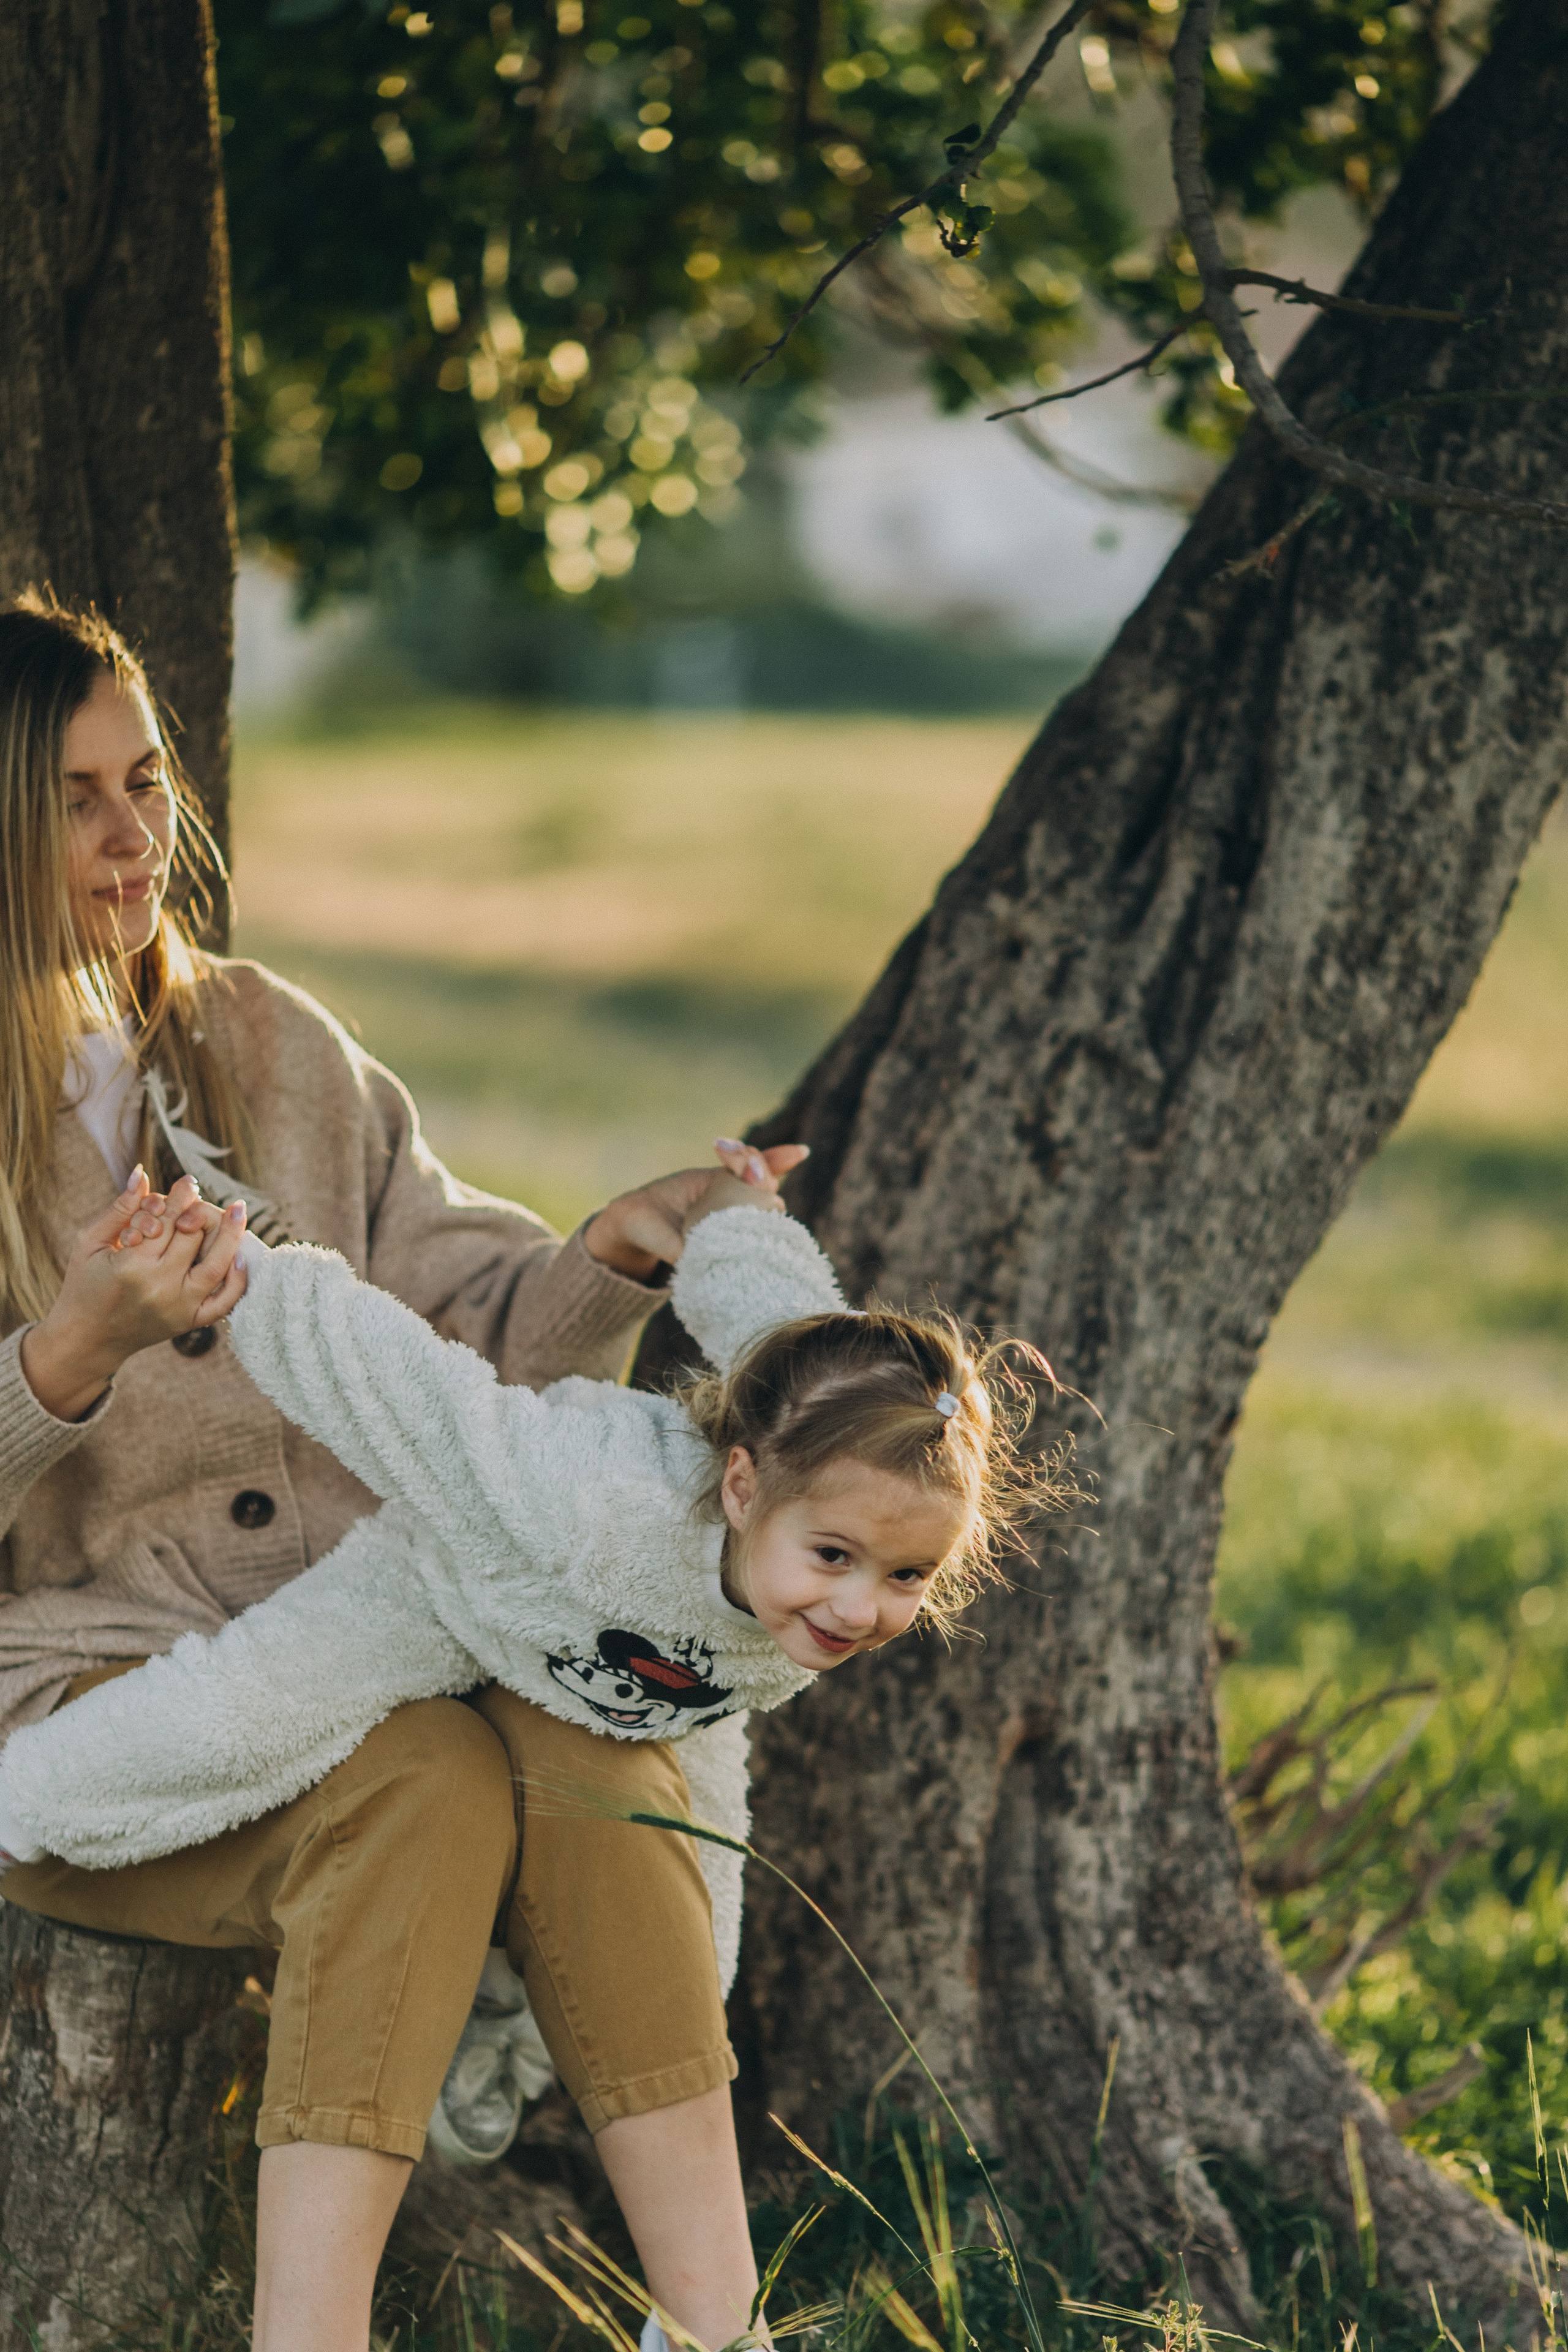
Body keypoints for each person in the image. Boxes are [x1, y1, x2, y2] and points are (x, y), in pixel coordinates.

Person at [0, 590, 801, 2352]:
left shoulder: (266, 1039)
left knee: (599, 1709)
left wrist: (623, 1245)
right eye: (73, 798)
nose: (135, 834)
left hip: (380, 1641)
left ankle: (713, 2324)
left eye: (148, 782)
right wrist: (70, 1352)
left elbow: (464, 1329)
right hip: (90, 1710)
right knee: (426, 1779)